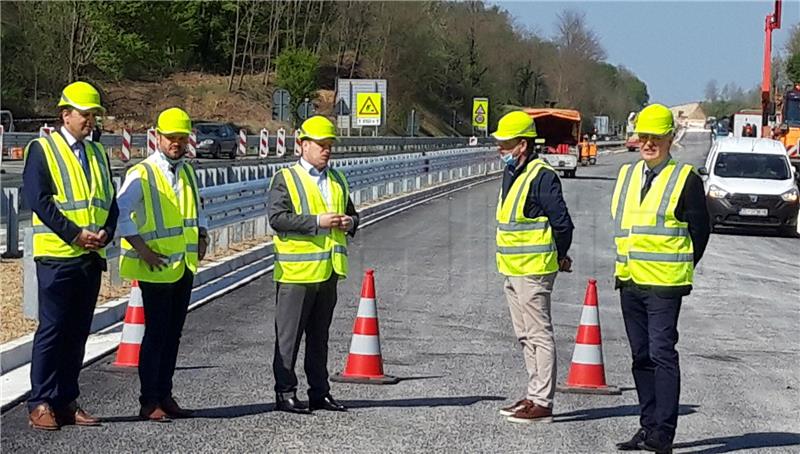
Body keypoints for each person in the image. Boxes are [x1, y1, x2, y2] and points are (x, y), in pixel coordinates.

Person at [612, 104, 710, 453]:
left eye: (657, 137)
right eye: (644, 137)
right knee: (641, 356)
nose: (649, 143)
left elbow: (701, 231)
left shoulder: (686, 179)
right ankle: (647, 425)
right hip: (630, 280)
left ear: (671, 138)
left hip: (665, 285)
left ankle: (662, 435)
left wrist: (680, 264)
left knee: (661, 354)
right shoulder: (626, 176)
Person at [22, 81, 118, 430]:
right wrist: (75, 234)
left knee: (78, 332)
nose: (90, 121)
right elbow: (39, 200)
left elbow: (110, 199)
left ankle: (66, 400)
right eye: (84, 114)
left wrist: (107, 230)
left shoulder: (97, 153)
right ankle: (41, 401)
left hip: (90, 256)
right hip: (57, 255)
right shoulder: (42, 149)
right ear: (65, 114)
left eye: (93, 115)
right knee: (53, 329)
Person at [117, 107, 208, 422]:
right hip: (156, 268)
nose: (177, 143)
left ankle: (165, 395)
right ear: (157, 136)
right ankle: (149, 400)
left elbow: (196, 207)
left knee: (173, 334)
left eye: (182, 138)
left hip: (183, 265)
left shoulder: (186, 171)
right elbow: (121, 213)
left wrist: (203, 234)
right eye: (171, 138)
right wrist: (142, 250)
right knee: (156, 334)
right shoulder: (142, 172)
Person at [268, 115, 359, 414]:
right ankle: (285, 393)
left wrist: (349, 223)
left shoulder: (337, 180)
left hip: (328, 272)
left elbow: (354, 216)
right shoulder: (287, 178)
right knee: (289, 339)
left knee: (320, 339)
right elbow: (277, 219)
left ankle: (320, 392)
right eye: (321, 144)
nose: (326, 150)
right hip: (295, 274)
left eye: (330, 145)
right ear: (303, 144)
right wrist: (316, 222)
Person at [491, 111, 575, 424]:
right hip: (513, 269)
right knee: (524, 334)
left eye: (506, 144)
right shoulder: (512, 173)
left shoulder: (542, 176)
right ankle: (533, 394)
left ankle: (542, 402)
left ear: (522, 145)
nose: (501, 150)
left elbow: (563, 224)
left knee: (539, 335)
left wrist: (560, 256)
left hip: (534, 270)